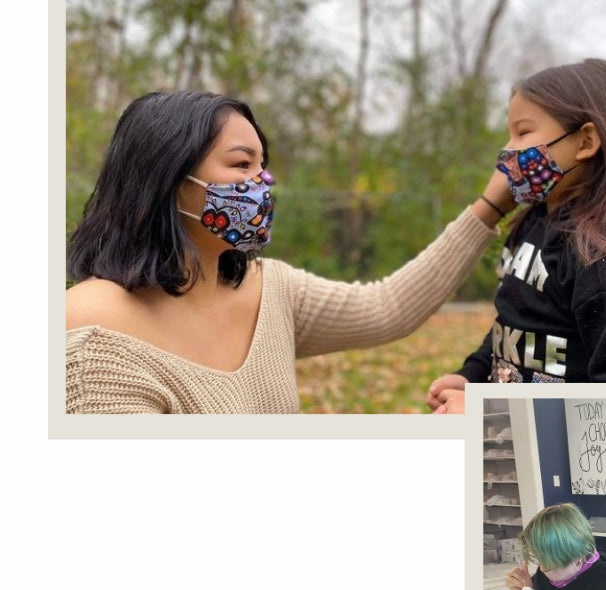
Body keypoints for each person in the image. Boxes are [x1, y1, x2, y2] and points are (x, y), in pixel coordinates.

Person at [65, 90, 513, 414]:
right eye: (242, 164)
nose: (264, 182)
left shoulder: (268, 288)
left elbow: (387, 307)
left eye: (263, 165)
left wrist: (492, 205)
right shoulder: (94, 335)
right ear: (169, 179)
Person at [426, 58, 606, 412]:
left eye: (523, 132)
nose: (509, 149)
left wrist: (487, 414)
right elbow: (514, 325)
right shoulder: (533, 223)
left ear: (586, 142)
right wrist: (472, 377)